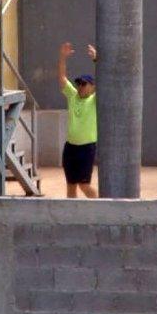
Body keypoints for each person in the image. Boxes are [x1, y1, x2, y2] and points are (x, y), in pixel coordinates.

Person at [58, 42, 98, 198]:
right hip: (70, 148)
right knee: (71, 186)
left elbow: (106, 80)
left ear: (92, 87)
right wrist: (62, 57)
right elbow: (62, 77)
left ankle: (102, 209)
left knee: (84, 185)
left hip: (86, 149)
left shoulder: (95, 100)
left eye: (84, 84)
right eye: (79, 83)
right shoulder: (73, 96)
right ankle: (72, 218)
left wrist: (96, 60)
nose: (80, 86)